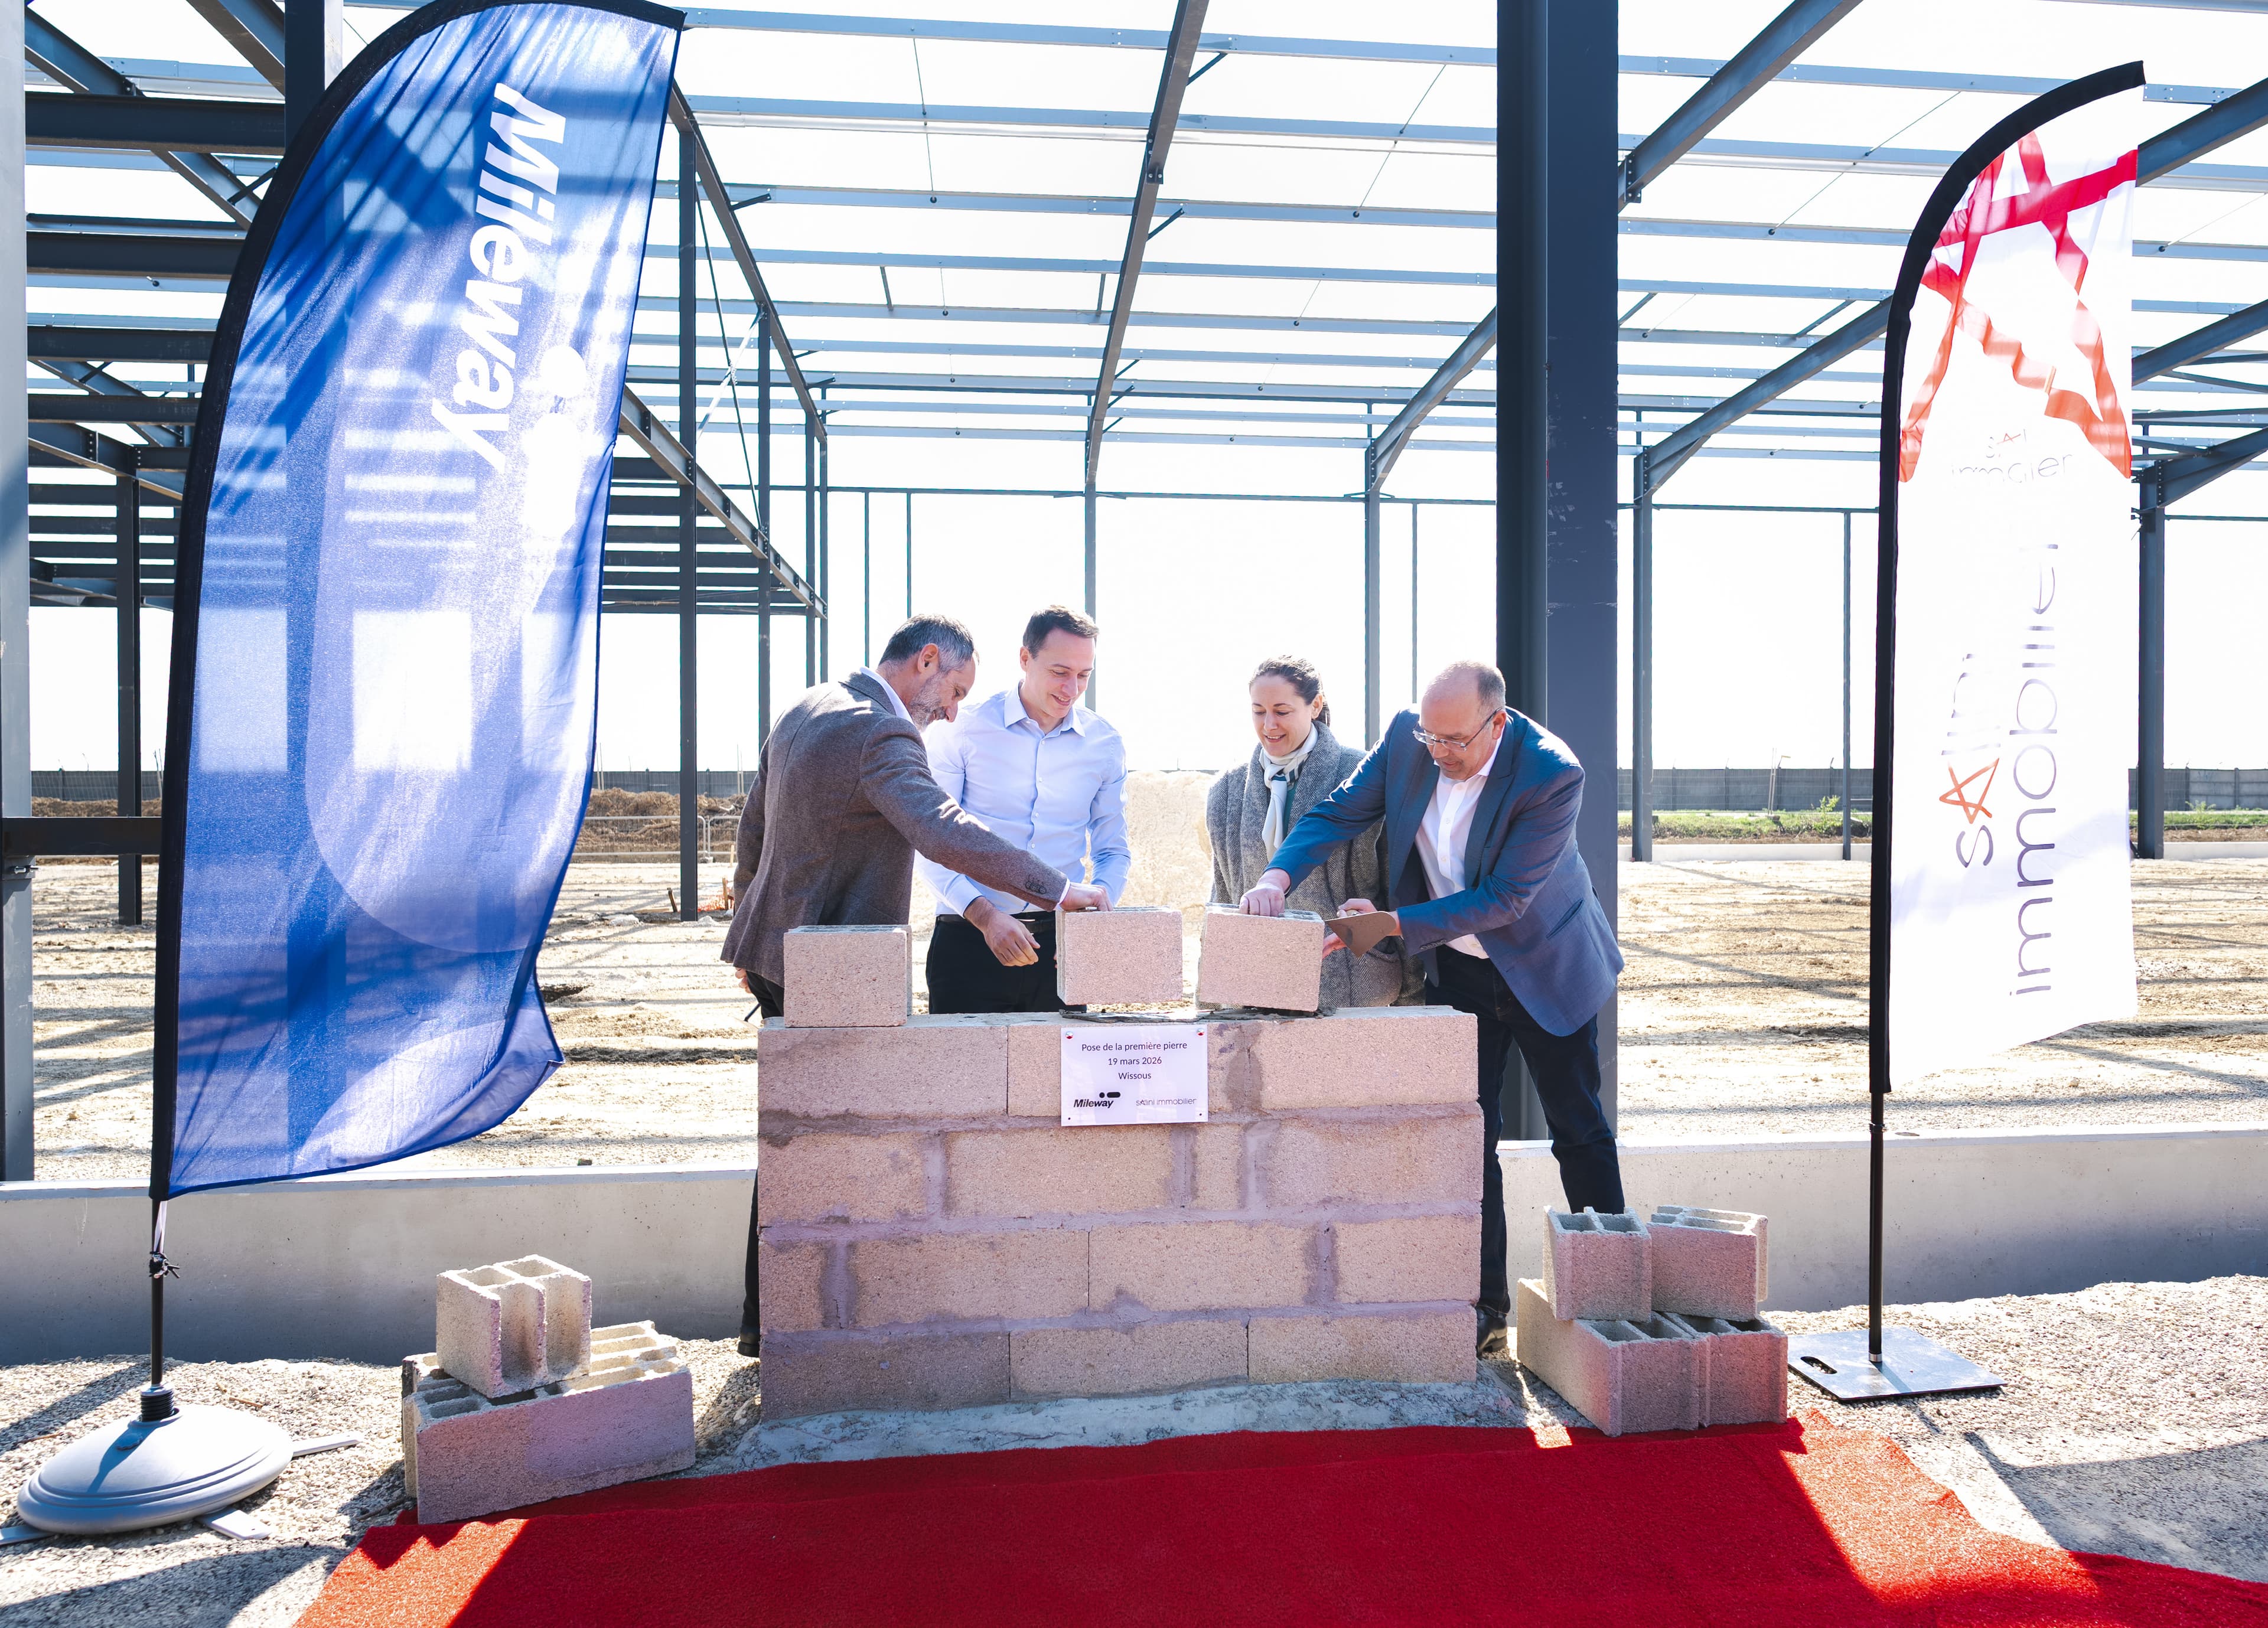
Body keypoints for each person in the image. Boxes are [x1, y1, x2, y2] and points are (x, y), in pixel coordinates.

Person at [720, 612, 1112, 1355]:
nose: (953, 710)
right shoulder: (880, 732)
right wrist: (1057, 891)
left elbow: (754, 824)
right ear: (926, 661)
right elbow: (942, 829)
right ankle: (794, 1322)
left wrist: (748, 926)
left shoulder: (811, 703)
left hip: (781, 954)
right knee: (819, 1145)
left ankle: (763, 1319)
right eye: (954, 689)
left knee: (792, 1137)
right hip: (832, 968)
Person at [1241, 660, 1622, 1357]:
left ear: (1497, 724)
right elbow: (1337, 813)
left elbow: (1504, 901)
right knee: (1468, 1140)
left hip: (1544, 968)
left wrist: (1388, 923)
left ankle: (1613, 1300)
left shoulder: (1551, 773)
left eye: (1454, 741)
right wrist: (1276, 876)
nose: (1438, 752)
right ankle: (1485, 1310)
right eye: (1429, 737)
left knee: (1580, 1131)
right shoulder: (1409, 741)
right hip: (1461, 975)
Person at [917, 606, 1129, 1013]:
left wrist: (1093, 922)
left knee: (1060, 1078)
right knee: (967, 1076)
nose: (1072, 688)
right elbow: (929, 842)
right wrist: (986, 918)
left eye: (1084, 675)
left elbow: (1112, 851)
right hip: (969, 940)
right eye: (1060, 672)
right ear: (1024, 659)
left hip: (1060, 951)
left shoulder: (1105, 744)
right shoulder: (960, 729)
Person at [1205, 655, 1412, 1009]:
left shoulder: (1364, 776)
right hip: (1252, 988)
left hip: (1354, 987)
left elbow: (1399, 891)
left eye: (1282, 711)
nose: (1269, 724)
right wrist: (1213, 998)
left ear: (1315, 705)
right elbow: (1223, 894)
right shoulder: (1226, 790)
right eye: (1259, 711)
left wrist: (1412, 997)